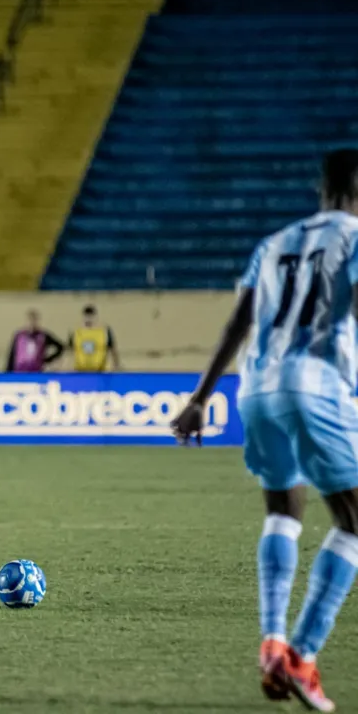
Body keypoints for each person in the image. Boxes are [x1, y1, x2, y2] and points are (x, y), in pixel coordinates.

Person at [171, 149, 358, 711]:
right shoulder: (354, 237)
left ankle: (273, 639)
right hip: (317, 382)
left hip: (258, 388)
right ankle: (301, 654)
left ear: (319, 188)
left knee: (284, 512)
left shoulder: (275, 242)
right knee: (353, 521)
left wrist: (200, 398)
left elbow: (240, 320)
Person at [69, 305, 119, 372]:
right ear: (83, 317)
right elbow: (69, 351)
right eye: (86, 317)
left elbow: (113, 350)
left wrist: (116, 366)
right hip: (80, 371)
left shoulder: (104, 332)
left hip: (100, 371)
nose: (88, 319)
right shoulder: (76, 332)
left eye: (91, 317)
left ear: (95, 317)